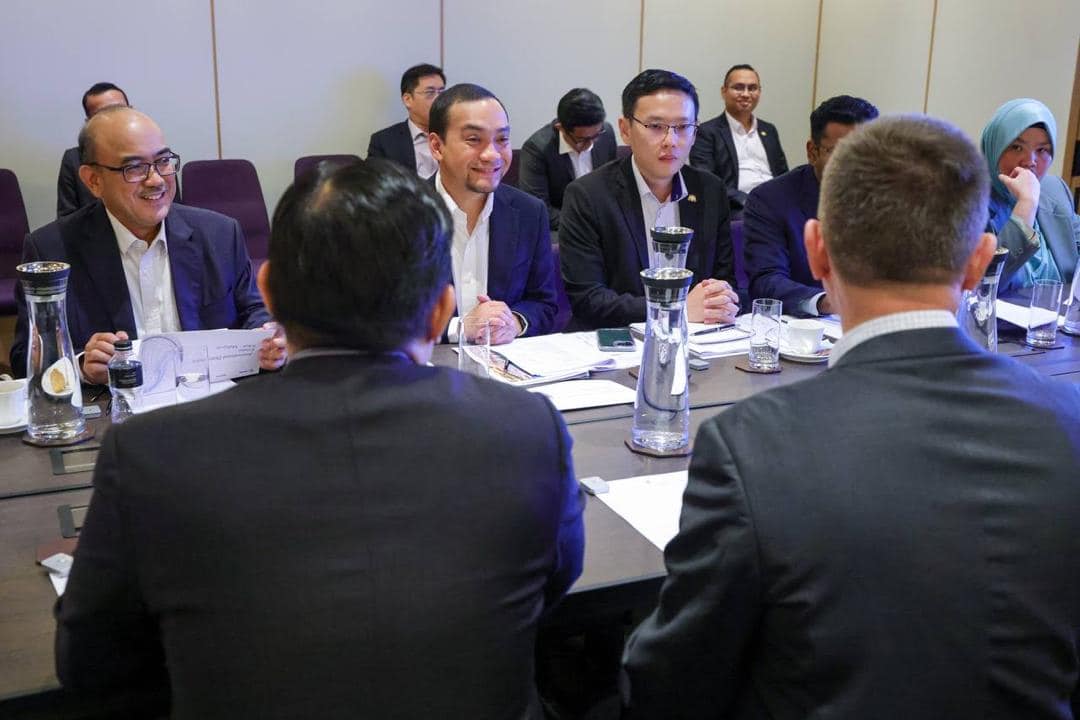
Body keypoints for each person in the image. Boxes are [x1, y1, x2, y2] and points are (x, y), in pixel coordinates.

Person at [54, 158, 585, 719]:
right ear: (441, 312)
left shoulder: (150, 454)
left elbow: (90, 664)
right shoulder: (529, 430)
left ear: (269, 293)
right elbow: (550, 586)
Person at [622, 115, 1080, 719]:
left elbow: (672, 684)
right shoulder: (1068, 424)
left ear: (817, 251)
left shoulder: (751, 446)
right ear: (979, 261)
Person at [11, 106, 284, 382]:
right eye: (134, 168)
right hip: (115, 405)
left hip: (213, 398)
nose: (155, 180)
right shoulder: (52, 251)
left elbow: (252, 312)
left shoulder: (219, 234)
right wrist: (80, 366)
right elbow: (24, 359)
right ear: (93, 181)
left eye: (163, 161)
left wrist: (268, 337)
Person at [559, 69, 739, 329]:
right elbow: (589, 301)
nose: (670, 141)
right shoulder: (587, 195)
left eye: (683, 127)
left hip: (698, 338)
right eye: (655, 127)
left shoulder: (710, 190)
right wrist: (675, 308)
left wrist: (722, 298)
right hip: (615, 340)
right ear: (625, 130)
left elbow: (724, 278)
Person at [428, 83, 560, 342]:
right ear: (436, 146)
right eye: (473, 140)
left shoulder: (529, 212)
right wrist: (460, 328)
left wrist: (514, 322)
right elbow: (379, 316)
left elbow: (544, 303)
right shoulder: (398, 214)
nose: (492, 154)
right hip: (426, 363)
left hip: (503, 361)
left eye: (502, 140)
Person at [743, 94, 878, 316]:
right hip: (808, 326)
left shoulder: (889, 199)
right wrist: (826, 301)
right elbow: (766, 280)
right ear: (812, 152)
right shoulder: (770, 200)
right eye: (841, 153)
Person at [980, 97, 1079, 292]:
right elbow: (982, 287)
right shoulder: (966, 202)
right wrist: (1026, 204)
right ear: (994, 148)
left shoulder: (1054, 190)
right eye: (1016, 147)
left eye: (1042, 150)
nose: (1030, 161)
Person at [690, 64, 789, 214]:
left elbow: (783, 174)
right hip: (737, 208)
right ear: (723, 91)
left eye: (752, 88)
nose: (746, 94)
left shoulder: (769, 130)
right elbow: (706, 180)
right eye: (738, 87)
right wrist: (750, 200)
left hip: (775, 205)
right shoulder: (707, 132)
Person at [519, 88, 617, 231]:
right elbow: (537, 208)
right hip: (560, 226)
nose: (590, 144)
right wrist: (586, 226)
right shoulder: (537, 149)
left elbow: (612, 186)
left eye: (595, 136)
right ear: (560, 128)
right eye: (582, 140)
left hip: (600, 222)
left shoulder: (606, 134)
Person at [57, 82, 129, 217]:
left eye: (120, 110)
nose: (115, 119)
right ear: (89, 122)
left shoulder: (155, 153)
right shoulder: (74, 160)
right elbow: (66, 219)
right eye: (103, 115)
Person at [367, 63, 446, 178]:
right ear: (408, 100)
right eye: (430, 93)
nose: (439, 99)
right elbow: (375, 184)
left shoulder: (456, 135)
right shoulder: (384, 142)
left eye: (442, 92)